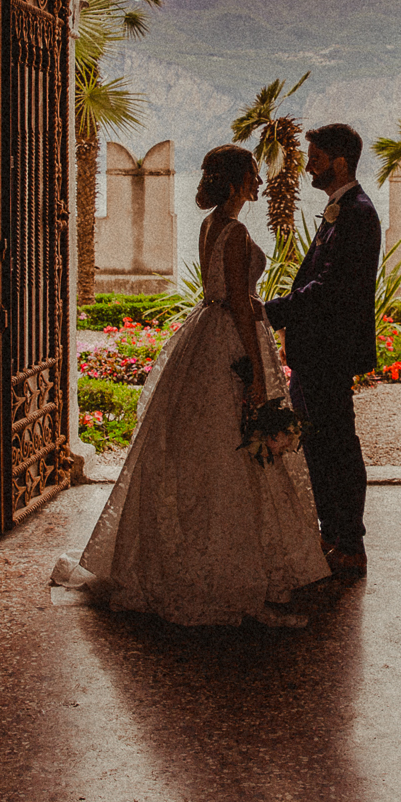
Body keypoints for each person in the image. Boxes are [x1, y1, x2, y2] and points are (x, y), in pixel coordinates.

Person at [51, 145, 331, 627]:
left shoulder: (210, 224)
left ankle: (194, 563)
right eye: (252, 175)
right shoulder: (238, 231)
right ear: (238, 179)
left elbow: (220, 292)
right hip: (231, 341)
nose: (259, 183)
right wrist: (262, 377)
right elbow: (243, 307)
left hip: (205, 334)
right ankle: (238, 580)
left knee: (199, 451)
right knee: (235, 451)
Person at [263, 123, 379, 581]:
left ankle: (349, 542)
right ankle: (332, 533)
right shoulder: (342, 208)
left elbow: (330, 288)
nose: (308, 165)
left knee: (338, 447)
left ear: (339, 162)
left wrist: (272, 312)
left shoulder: (357, 212)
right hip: (317, 352)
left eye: (315, 157)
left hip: (331, 352)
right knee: (321, 445)